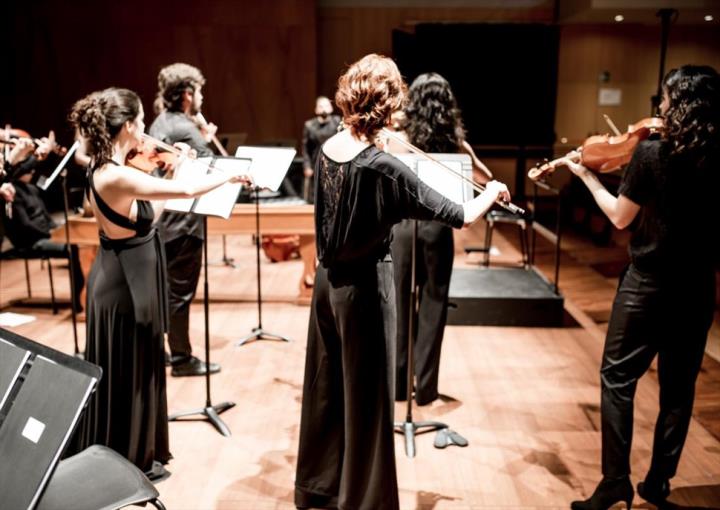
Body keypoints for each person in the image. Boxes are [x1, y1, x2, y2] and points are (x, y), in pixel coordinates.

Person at [295, 54, 511, 510]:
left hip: (326, 286)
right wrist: (491, 192)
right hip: (364, 294)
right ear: (389, 105)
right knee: (369, 404)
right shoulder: (385, 168)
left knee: (327, 390)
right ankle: (365, 500)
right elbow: (461, 214)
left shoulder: (328, 149)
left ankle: (321, 487)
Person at [561, 65, 720, 509]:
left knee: (617, 378)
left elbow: (619, 217)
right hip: (698, 288)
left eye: (666, 98)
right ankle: (658, 484)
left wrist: (587, 176)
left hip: (648, 286)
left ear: (680, 103)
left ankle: (615, 482)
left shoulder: (653, 154)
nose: (661, 107)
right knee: (679, 388)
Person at [69, 87, 248, 477]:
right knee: (129, 371)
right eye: (142, 121)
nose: (147, 127)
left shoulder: (112, 166)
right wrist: (227, 173)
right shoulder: (114, 175)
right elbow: (183, 190)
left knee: (139, 366)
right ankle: (125, 458)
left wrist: (171, 165)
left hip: (128, 271)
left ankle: (135, 450)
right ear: (132, 125)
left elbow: (152, 212)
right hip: (125, 284)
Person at [387, 72, 493, 406]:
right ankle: (427, 390)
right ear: (447, 105)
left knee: (400, 304)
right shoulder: (455, 144)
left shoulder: (396, 138)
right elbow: (485, 178)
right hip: (437, 230)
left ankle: (398, 386)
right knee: (433, 305)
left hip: (401, 229)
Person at [149, 63, 220, 377]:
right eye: (199, 90)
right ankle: (181, 359)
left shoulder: (161, 121)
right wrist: (205, 141)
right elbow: (211, 168)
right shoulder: (185, 128)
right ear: (188, 94)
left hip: (163, 220)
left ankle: (165, 352)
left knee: (166, 290)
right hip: (182, 222)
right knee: (180, 292)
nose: (202, 96)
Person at [1, 132, 84, 311]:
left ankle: (83, 298)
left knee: (78, 242)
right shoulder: (15, 189)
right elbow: (25, 227)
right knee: (74, 248)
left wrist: (59, 230)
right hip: (30, 240)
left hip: (44, 234)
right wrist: (26, 156)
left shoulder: (31, 188)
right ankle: (80, 302)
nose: (31, 171)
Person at [301, 96, 341, 202]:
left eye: (326, 105)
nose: (324, 109)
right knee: (316, 195)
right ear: (316, 109)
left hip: (334, 162)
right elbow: (305, 147)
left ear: (331, 108)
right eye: (321, 106)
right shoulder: (309, 125)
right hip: (316, 163)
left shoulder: (338, 122)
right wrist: (307, 166)